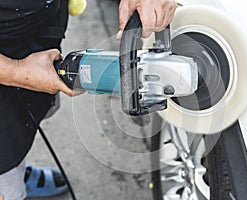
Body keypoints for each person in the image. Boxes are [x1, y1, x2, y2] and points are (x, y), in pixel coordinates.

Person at [0, 0, 176, 199]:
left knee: (26, 123)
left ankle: (19, 168)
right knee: (7, 170)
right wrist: (15, 70)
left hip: (33, 29)